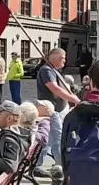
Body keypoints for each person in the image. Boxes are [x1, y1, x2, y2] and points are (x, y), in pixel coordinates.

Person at [34, 48, 80, 177]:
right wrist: (74, 99)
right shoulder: (47, 70)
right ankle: (61, 166)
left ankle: (38, 164)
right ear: (54, 57)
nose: (65, 60)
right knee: (57, 138)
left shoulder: (54, 70)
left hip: (58, 109)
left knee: (50, 139)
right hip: (51, 110)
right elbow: (55, 89)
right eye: (63, 57)